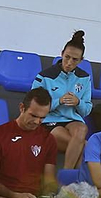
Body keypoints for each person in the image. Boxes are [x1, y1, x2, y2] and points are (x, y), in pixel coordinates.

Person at [34, 31, 92, 169]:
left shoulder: (85, 78)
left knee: (82, 128)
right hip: (50, 121)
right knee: (85, 146)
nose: (69, 62)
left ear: (81, 60)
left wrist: (78, 102)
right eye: (67, 57)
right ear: (61, 53)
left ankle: (67, 179)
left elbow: (87, 110)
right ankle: (70, 179)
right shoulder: (44, 76)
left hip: (73, 121)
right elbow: (34, 105)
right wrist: (58, 101)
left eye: (75, 60)